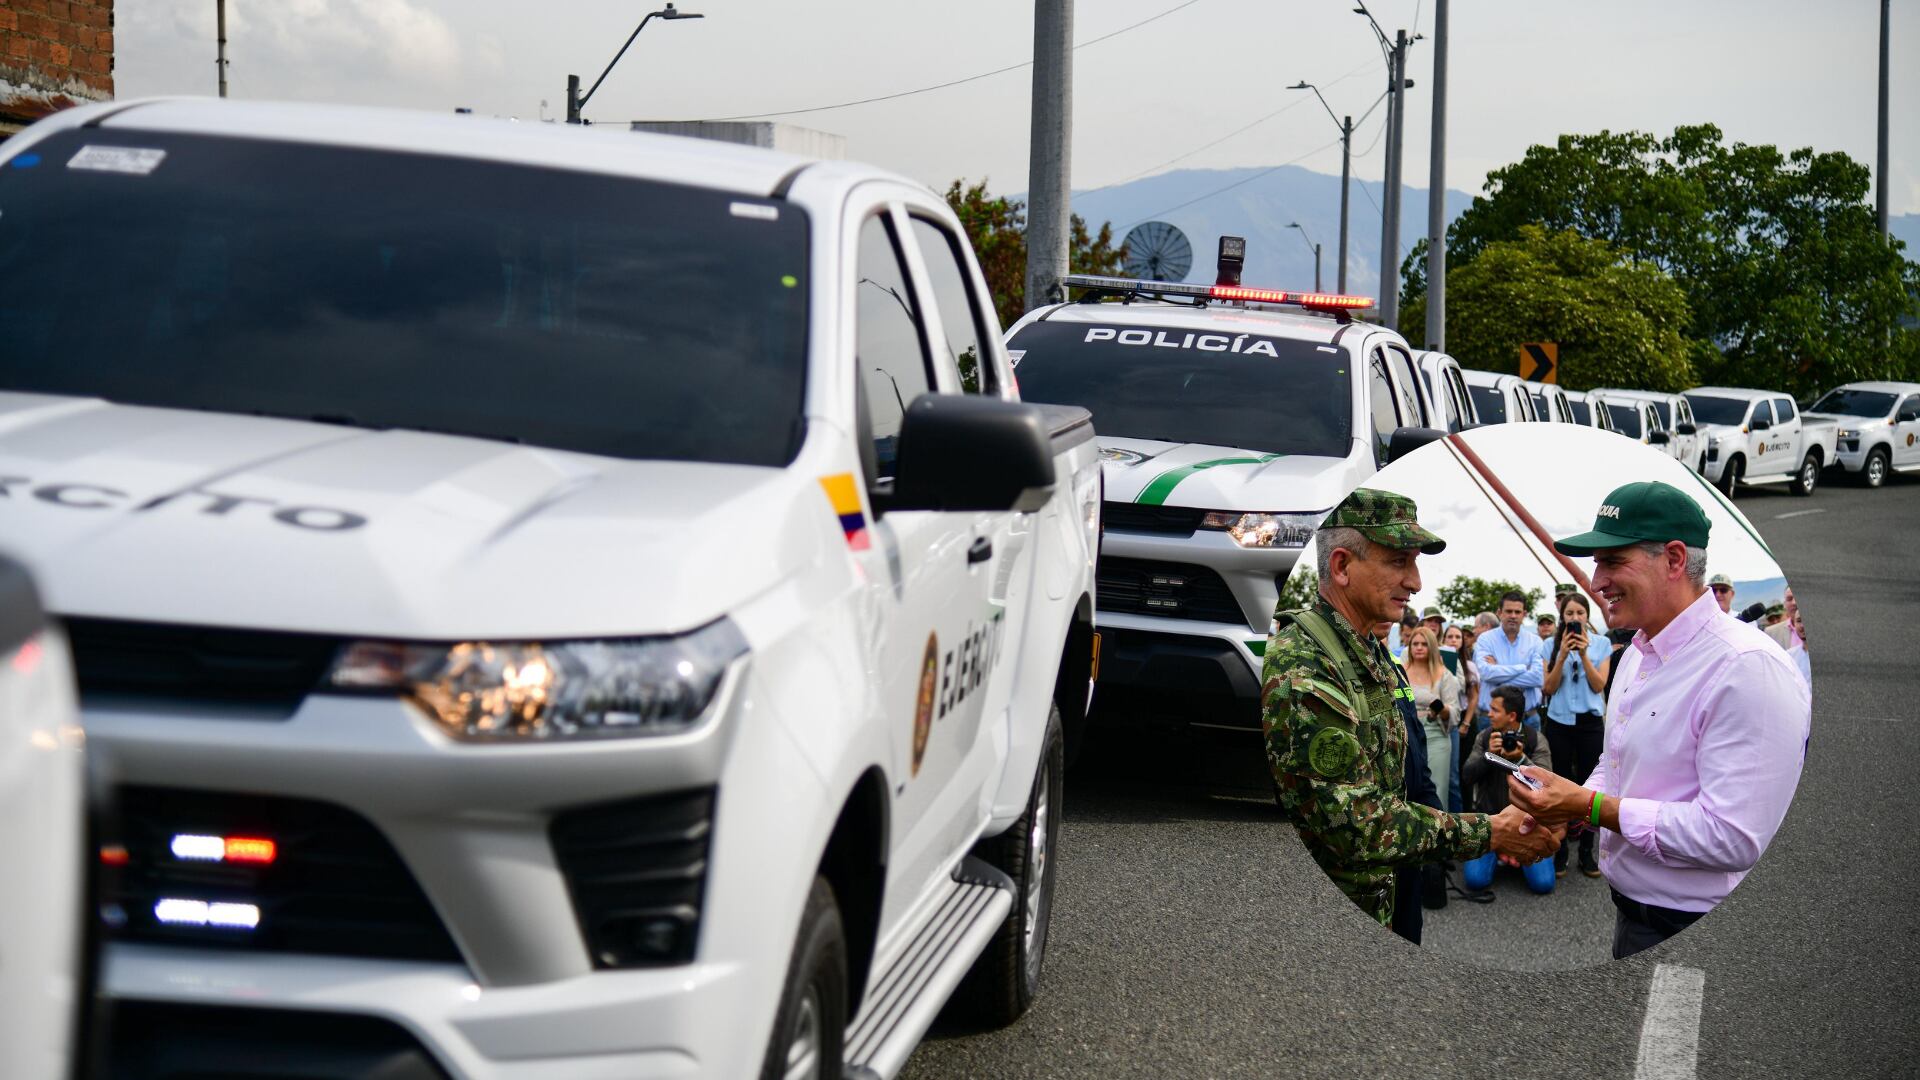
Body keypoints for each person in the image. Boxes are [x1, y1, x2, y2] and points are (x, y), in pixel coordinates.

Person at [1508, 480, 1811, 959]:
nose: (1596, 582)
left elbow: (1732, 837)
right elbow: (1618, 761)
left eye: (1612, 561)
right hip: (1634, 915)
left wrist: (1590, 807)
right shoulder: (1635, 654)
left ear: (1673, 560)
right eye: (1596, 564)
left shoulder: (1747, 667)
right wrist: (1565, 806)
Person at [1263, 488, 1562, 930]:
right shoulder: (1304, 666)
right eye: (1398, 561)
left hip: (1390, 883)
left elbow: (1407, 766)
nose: (1416, 582)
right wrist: (1491, 831)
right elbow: (1354, 823)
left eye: (1415, 563)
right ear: (1342, 566)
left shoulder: (1371, 651)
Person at [1462, 686, 1557, 894]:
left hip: (1527, 823)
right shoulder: (1484, 737)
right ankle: (1503, 853)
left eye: (1494, 710)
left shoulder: (1535, 739)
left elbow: (1548, 786)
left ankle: (1514, 853)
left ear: (1512, 715)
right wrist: (1489, 756)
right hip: (1491, 819)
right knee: (1475, 880)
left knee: (1543, 884)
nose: (1488, 714)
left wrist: (1520, 759)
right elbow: (1467, 776)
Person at [1542, 592, 1611, 878]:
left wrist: (1583, 654)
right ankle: (1559, 850)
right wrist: (1561, 655)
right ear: (1562, 617)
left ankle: (1586, 850)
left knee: (1589, 788)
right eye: (1569, 613)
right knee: (1559, 783)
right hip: (1559, 721)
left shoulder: (1601, 644)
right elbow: (1548, 687)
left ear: (1587, 616)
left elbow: (1599, 685)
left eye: (1580, 613)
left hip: (1589, 723)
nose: (1574, 618)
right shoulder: (1550, 644)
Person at [1403, 626, 1461, 815]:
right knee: (1408, 790)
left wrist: (1439, 707)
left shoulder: (1445, 675)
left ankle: (1440, 831)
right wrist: (1427, 698)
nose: (1419, 647)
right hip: (1406, 734)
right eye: (1415, 644)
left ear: (1432, 647)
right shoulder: (1399, 673)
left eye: (1424, 644)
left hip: (1436, 734)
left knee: (1437, 791)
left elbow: (1455, 713)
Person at [1478, 591, 1548, 727]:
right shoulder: (1485, 639)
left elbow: (1538, 678)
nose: (1513, 616)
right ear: (1499, 612)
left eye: (1517, 612)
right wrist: (1523, 668)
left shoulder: (1535, 641)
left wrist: (1497, 672)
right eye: (1509, 611)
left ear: (1524, 614)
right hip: (1491, 719)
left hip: (1528, 719)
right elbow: (1486, 673)